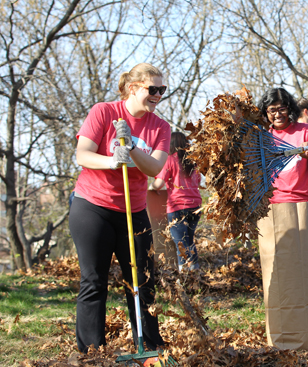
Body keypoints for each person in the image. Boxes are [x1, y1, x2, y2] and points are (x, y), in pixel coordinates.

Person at [69, 63, 170, 353]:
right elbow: (83, 155)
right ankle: (92, 351)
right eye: (153, 89)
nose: (158, 95)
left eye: (161, 90)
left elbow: (155, 166)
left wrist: (131, 147)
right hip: (93, 207)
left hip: (134, 210)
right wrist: (113, 160)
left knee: (141, 280)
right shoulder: (104, 112)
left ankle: (149, 347)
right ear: (132, 88)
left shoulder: (160, 126)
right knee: (94, 279)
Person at [256, 88, 308, 350]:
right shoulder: (263, 137)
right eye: (272, 110)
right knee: (281, 272)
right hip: (274, 211)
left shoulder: (307, 132)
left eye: (281, 108)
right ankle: (284, 335)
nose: (277, 114)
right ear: (265, 113)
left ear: (289, 108)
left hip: (306, 206)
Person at [149, 131, 202, 271]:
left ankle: (184, 278)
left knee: (181, 244)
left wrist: (150, 187)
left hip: (177, 206)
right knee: (189, 241)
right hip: (196, 206)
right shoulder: (194, 162)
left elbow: (159, 183)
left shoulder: (169, 160)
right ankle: (195, 274)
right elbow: (198, 181)